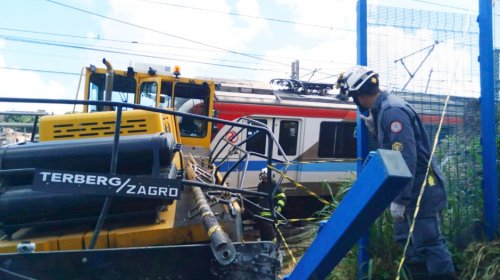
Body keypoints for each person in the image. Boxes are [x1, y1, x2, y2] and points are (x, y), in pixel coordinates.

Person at [336, 66, 456, 280]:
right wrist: (376, 127)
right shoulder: (383, 110)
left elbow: (405, 157)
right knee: (409, 245)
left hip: (421, 190)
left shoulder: (392, 111)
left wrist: (400, 199)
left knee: (429, 245)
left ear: (359, 96)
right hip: (410, 188)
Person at [256, 168, 286, 243]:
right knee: (263, 233)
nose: (264, 179)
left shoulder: (275, 185)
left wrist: (279, 207)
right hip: (262, 214)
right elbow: (260, 199)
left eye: (265, 178)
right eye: (263, 178)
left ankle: (275, 246)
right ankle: (265, 246)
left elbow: (282, 198)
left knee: (271, 232)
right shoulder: (260, 186)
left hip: (272, 213)